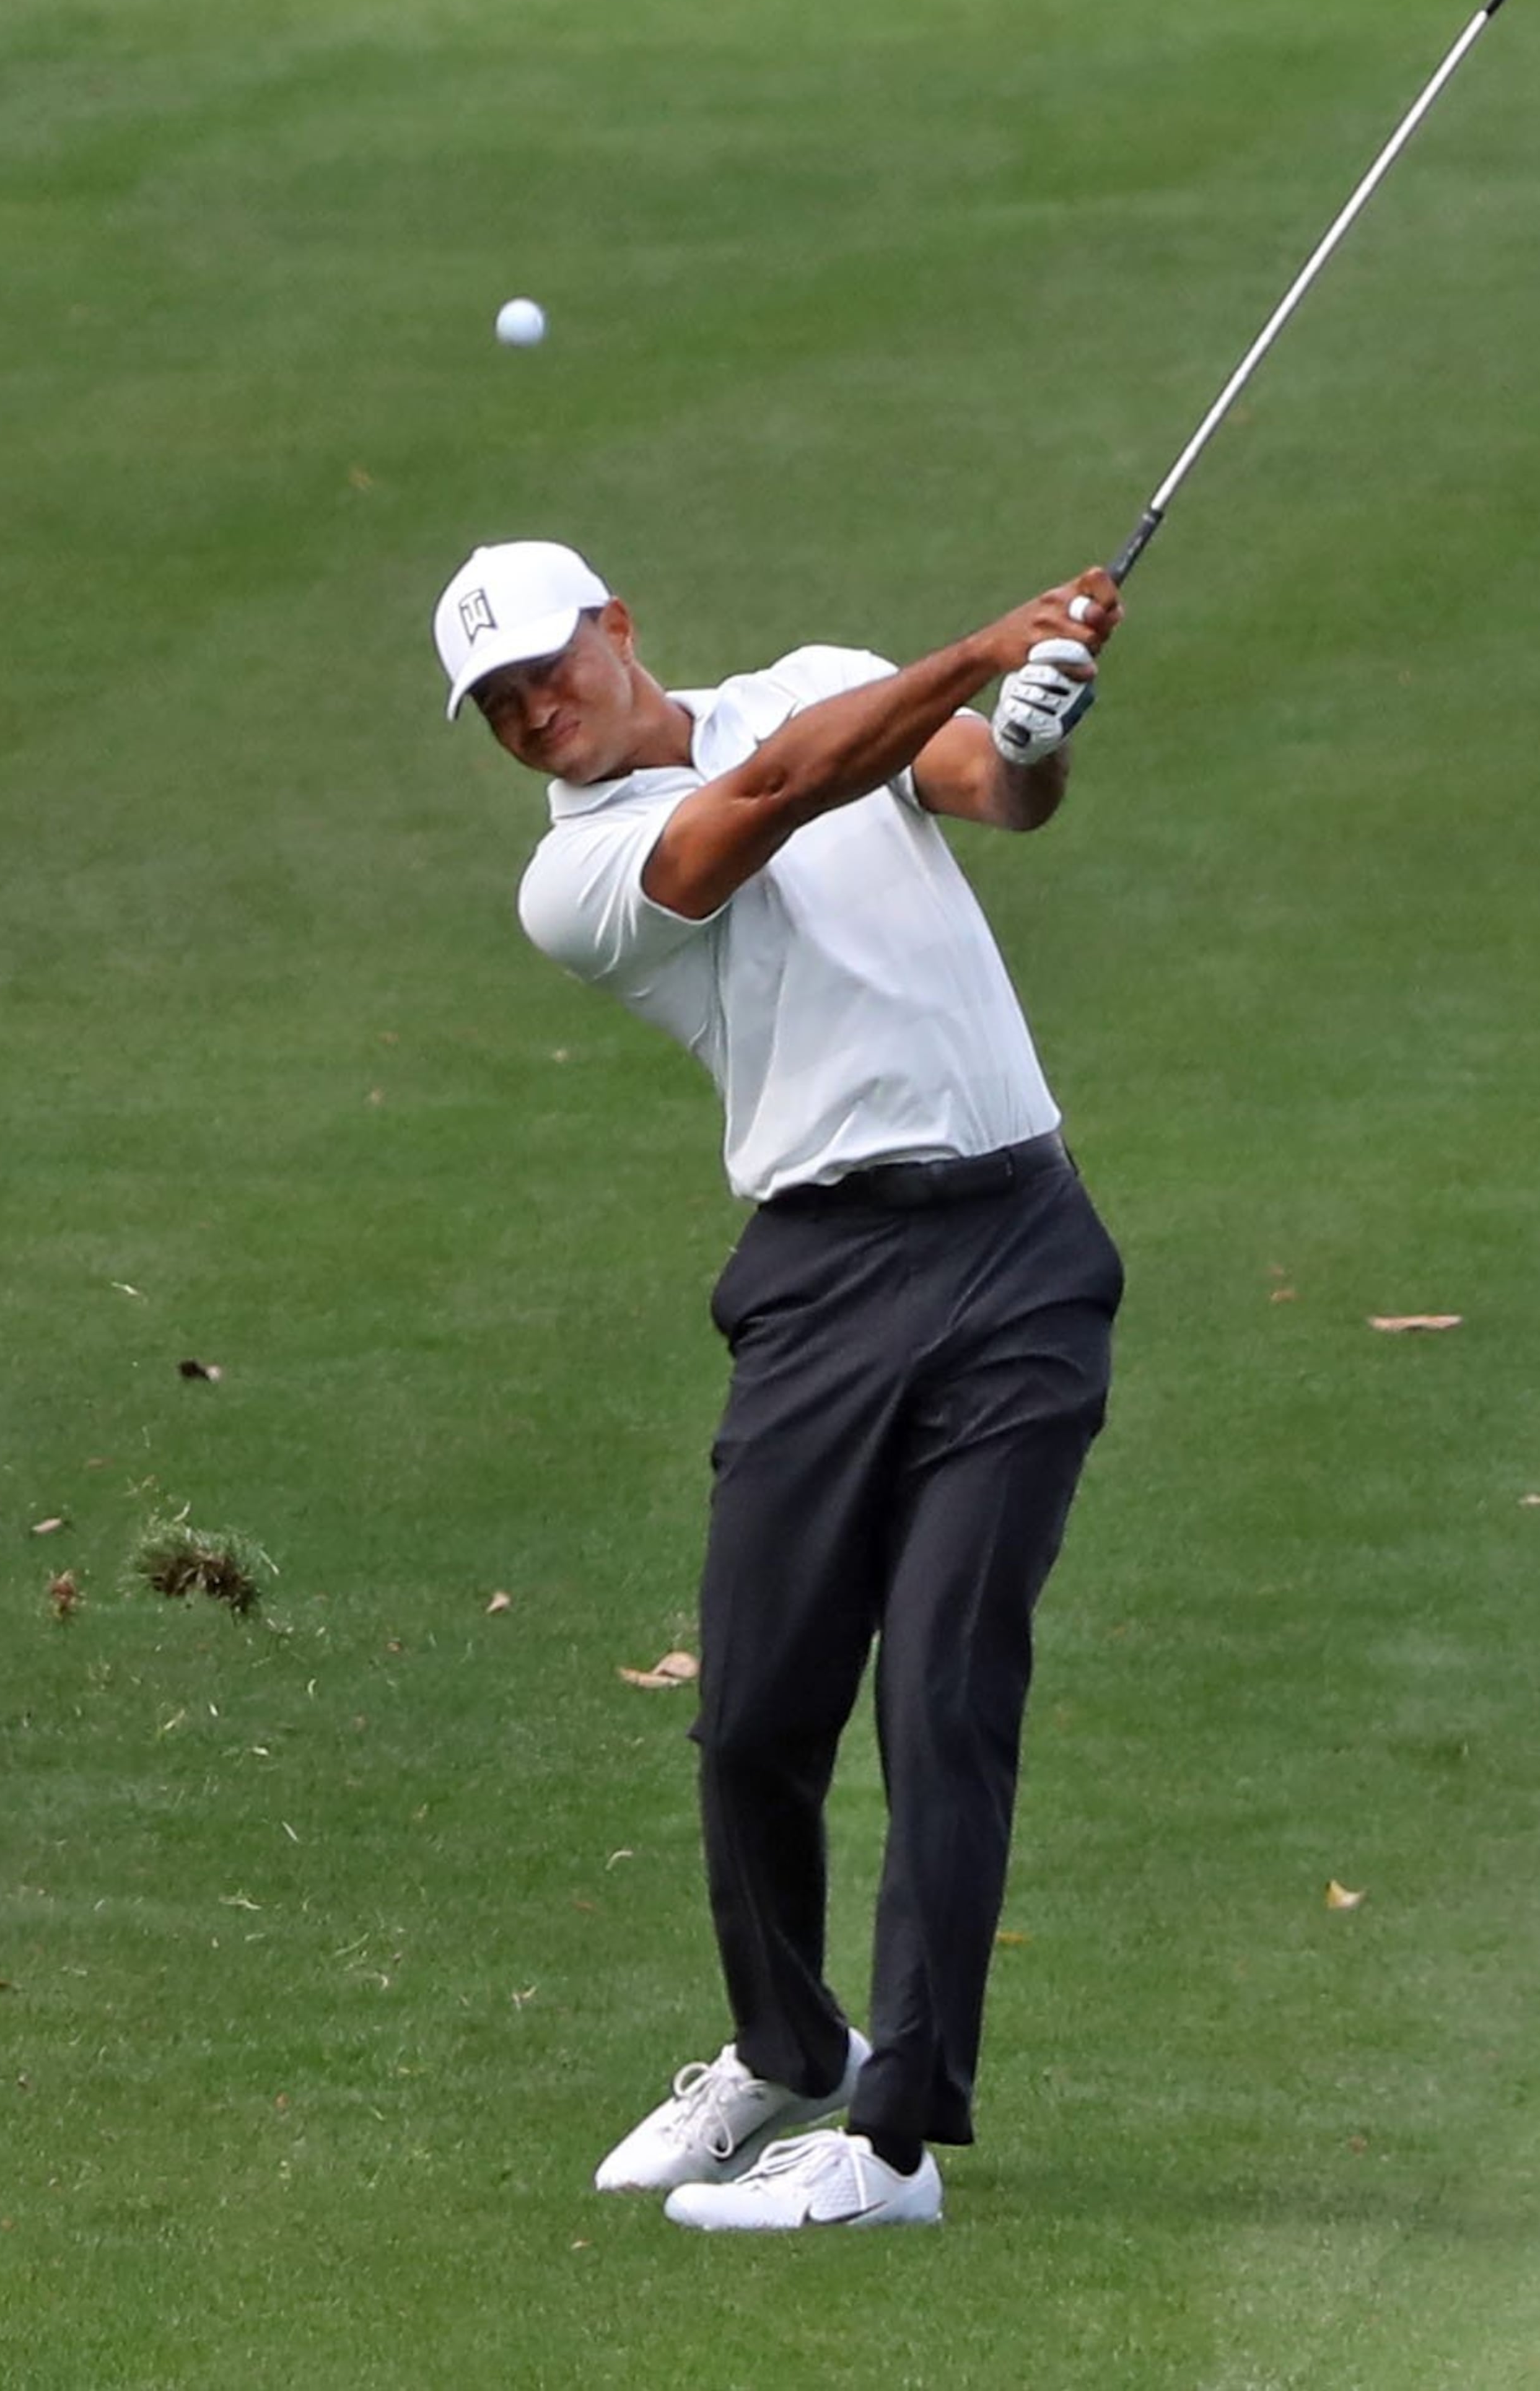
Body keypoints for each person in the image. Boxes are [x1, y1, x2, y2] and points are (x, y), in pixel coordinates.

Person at [436, 531, 1127, 2234]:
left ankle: (891, 2145)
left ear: (617, 626)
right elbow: (772, 799)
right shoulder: (578, 876)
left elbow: (986, 792)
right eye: (497, 701)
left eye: (547, 665)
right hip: (819, 1284)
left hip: (1018, 1251)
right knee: (753, 1714)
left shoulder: (822, 681)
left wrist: (1029, 730)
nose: (533, 710)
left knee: (945, 1693)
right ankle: (785, 2044)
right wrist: (977, 650)